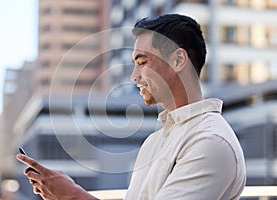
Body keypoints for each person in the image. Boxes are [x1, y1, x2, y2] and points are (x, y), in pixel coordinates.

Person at [17, 14, 246, 200]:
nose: (134, 76)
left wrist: (73, 196)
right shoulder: (155, 142)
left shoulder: (210, 141)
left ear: (177, 60)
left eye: (142, 62)